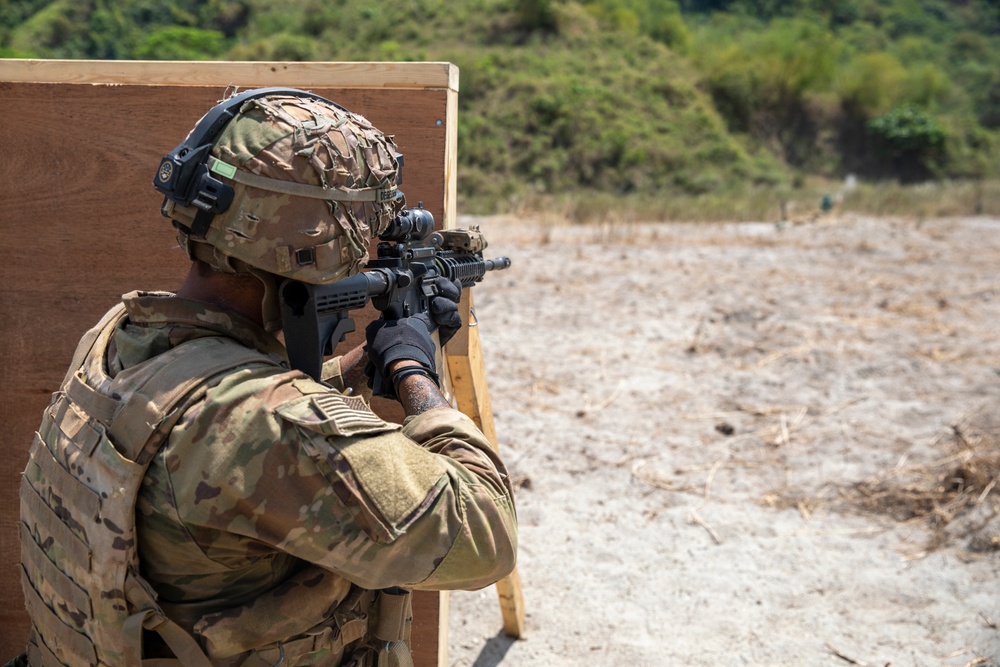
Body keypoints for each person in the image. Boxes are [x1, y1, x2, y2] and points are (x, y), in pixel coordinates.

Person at [13, 89, 517, 667]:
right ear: (314, 244)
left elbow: (238, 424)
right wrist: (412, 369)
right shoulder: (261, 422)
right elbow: (486, 537)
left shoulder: (121, 337)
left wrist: (359, 366)